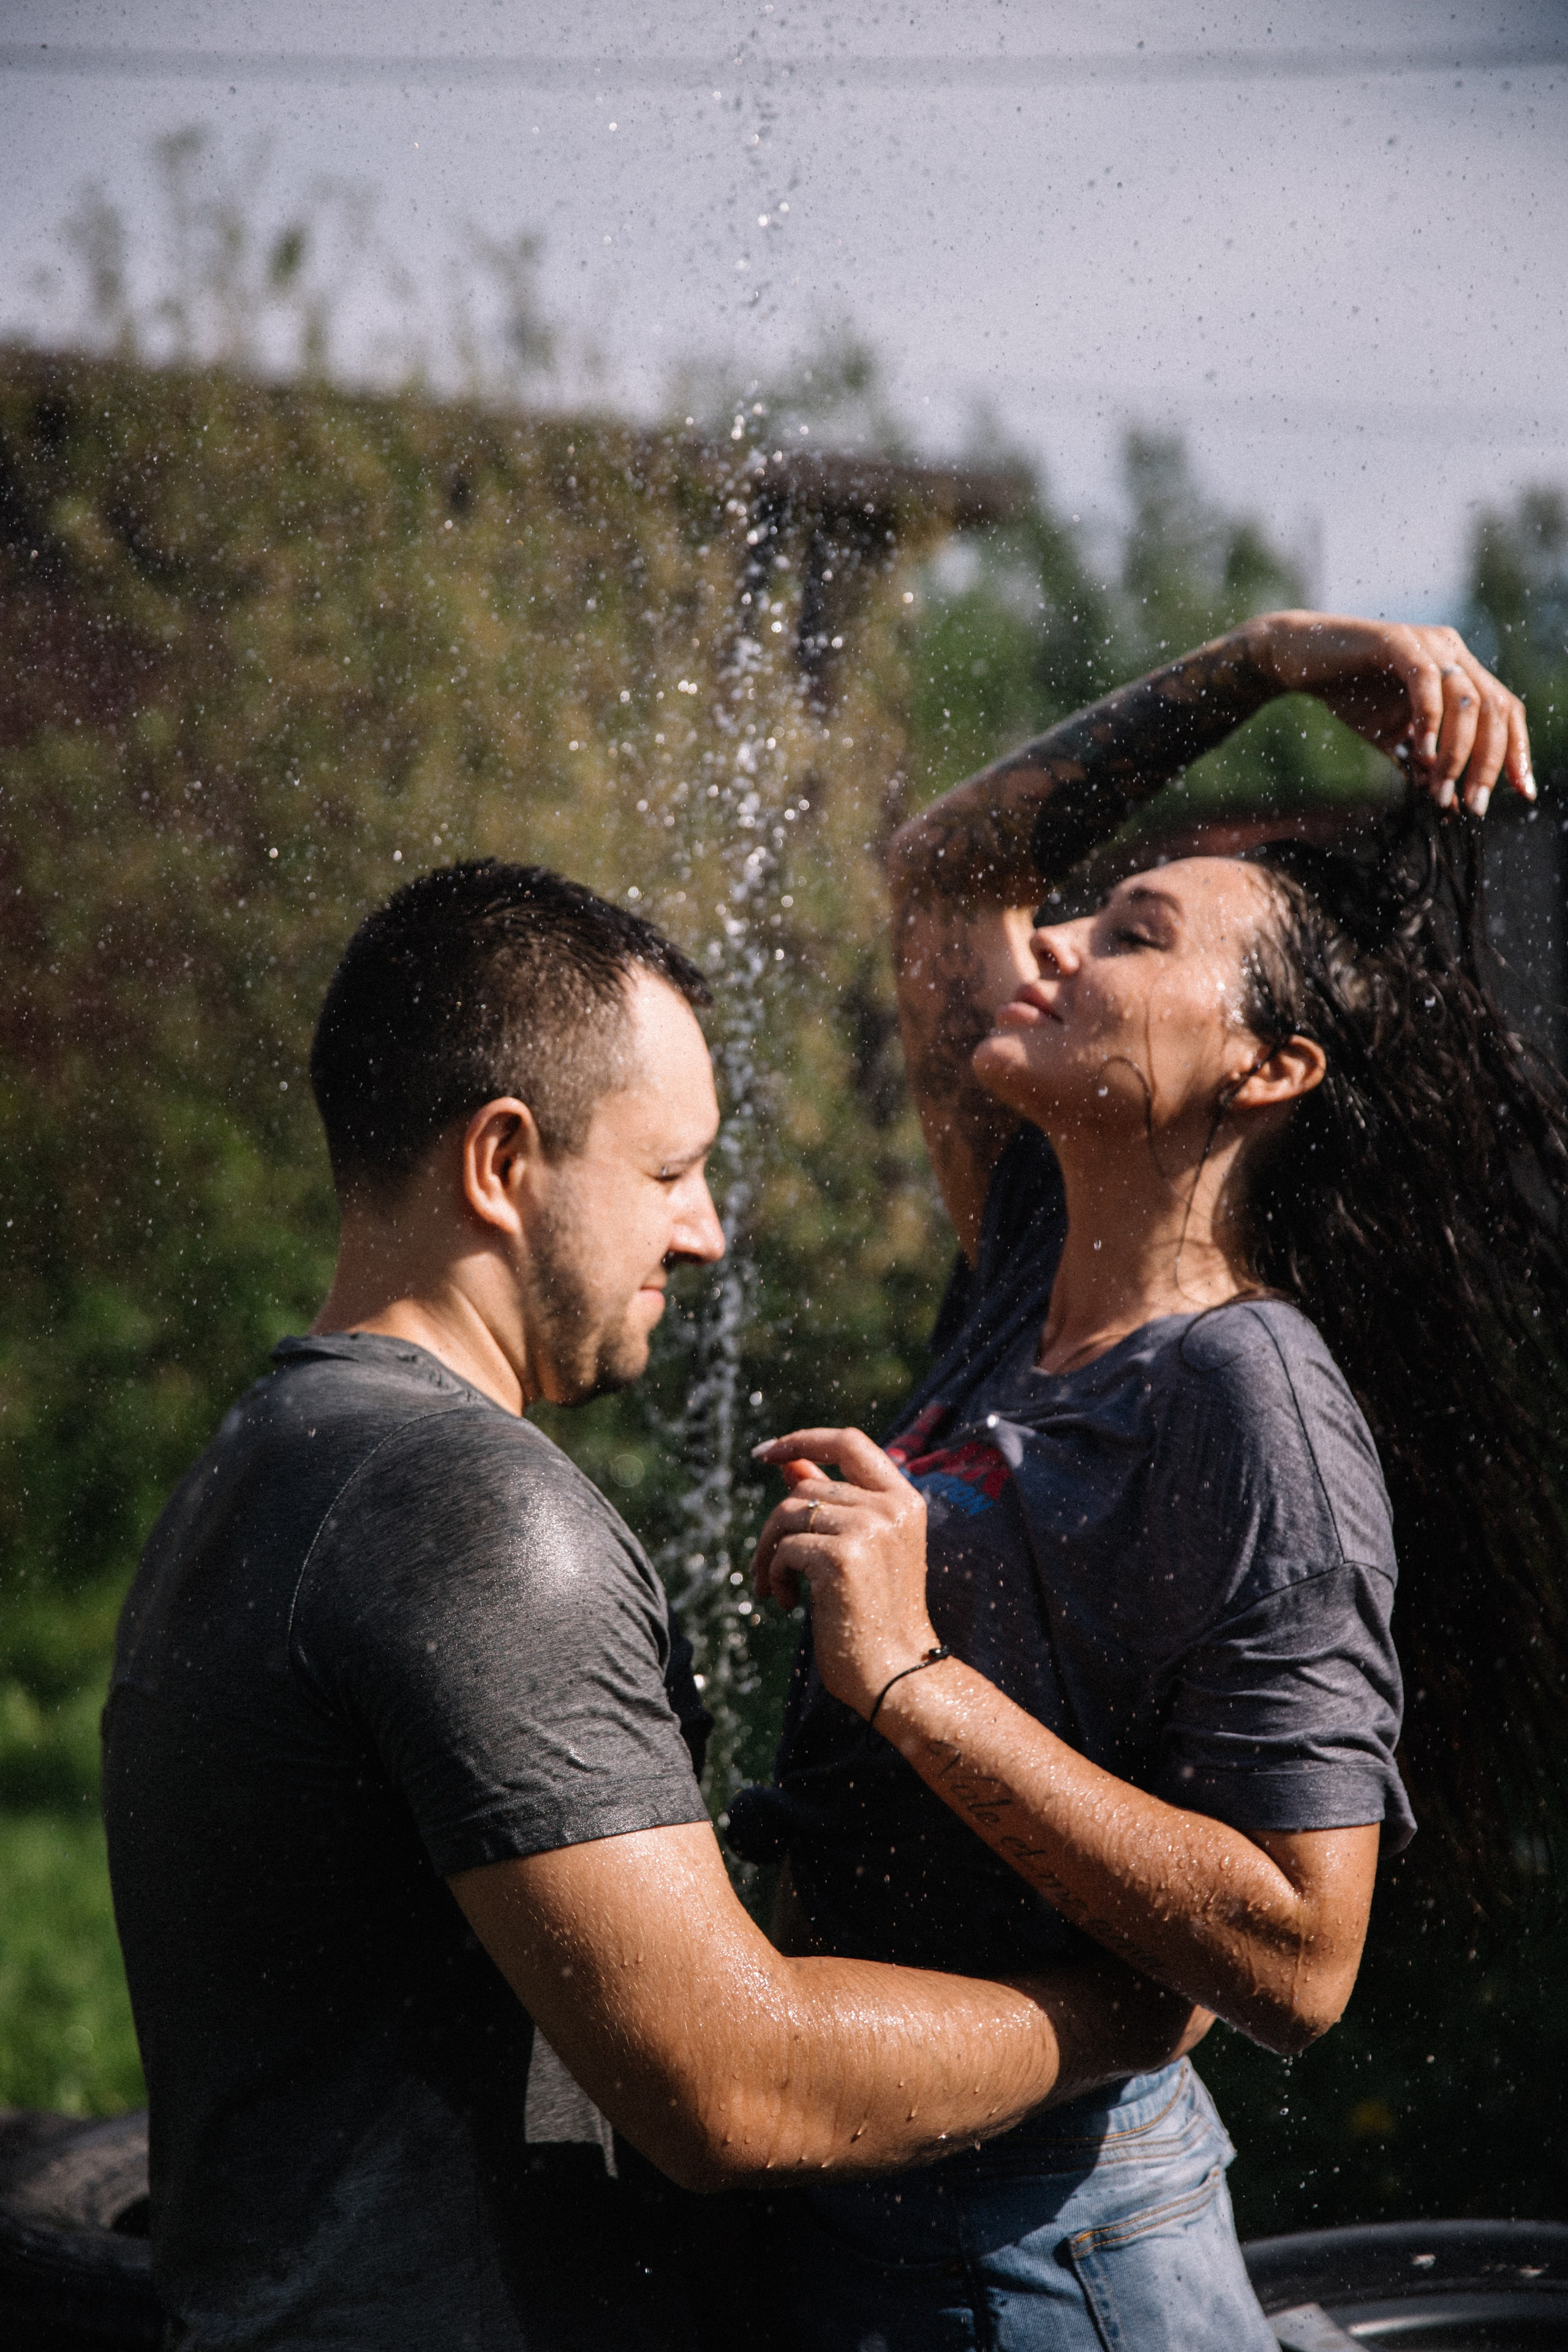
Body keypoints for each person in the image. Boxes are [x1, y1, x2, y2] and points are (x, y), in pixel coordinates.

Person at [102, 861, 1201, 2352]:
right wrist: (1128, 2010)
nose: (704, 1238)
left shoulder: (262, 1458)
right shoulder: (468, 1510)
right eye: (669, 1172)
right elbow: (737, 2088)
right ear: (501, 1161)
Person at [729, 612, 1568, 2349]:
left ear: (1266, 1072)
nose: (1040, 941)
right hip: (870, 2201)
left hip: (1047, 2259)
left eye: (1129, 934)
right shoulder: (1027, 1257)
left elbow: (1297, 1956)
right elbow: (952, 859)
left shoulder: (1247, 1395)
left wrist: (912, 1681)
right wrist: (1259, 662)